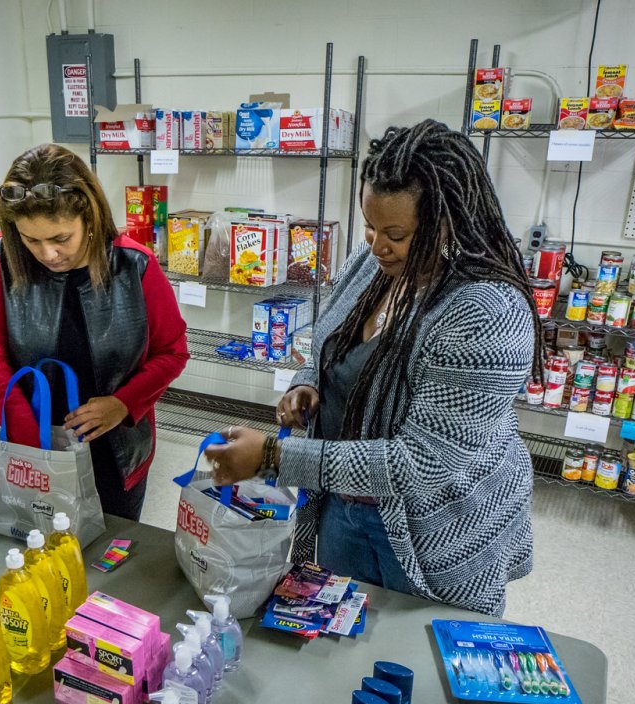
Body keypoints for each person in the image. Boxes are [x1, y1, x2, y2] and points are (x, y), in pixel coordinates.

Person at [204, 119, 541, 616]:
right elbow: (326, 339)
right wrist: (308, 381)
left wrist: (274, 456)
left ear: (448, 222)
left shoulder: (487, 312)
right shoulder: (373, 262)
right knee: (346, 637)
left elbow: (423, 464)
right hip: (344, 506)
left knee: (417, 660)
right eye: (370, 225)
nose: (377, 244)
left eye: (396, 233)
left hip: (433, 528)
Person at [0, 144, 189, 521]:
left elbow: (173, 351)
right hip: (32, 439)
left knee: (112, 554)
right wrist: (33, 446)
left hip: (115, 446)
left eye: (61, 238)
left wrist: (123, 403)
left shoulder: (135, 264)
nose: (48, 255)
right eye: (31, 240)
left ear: (89, 218)